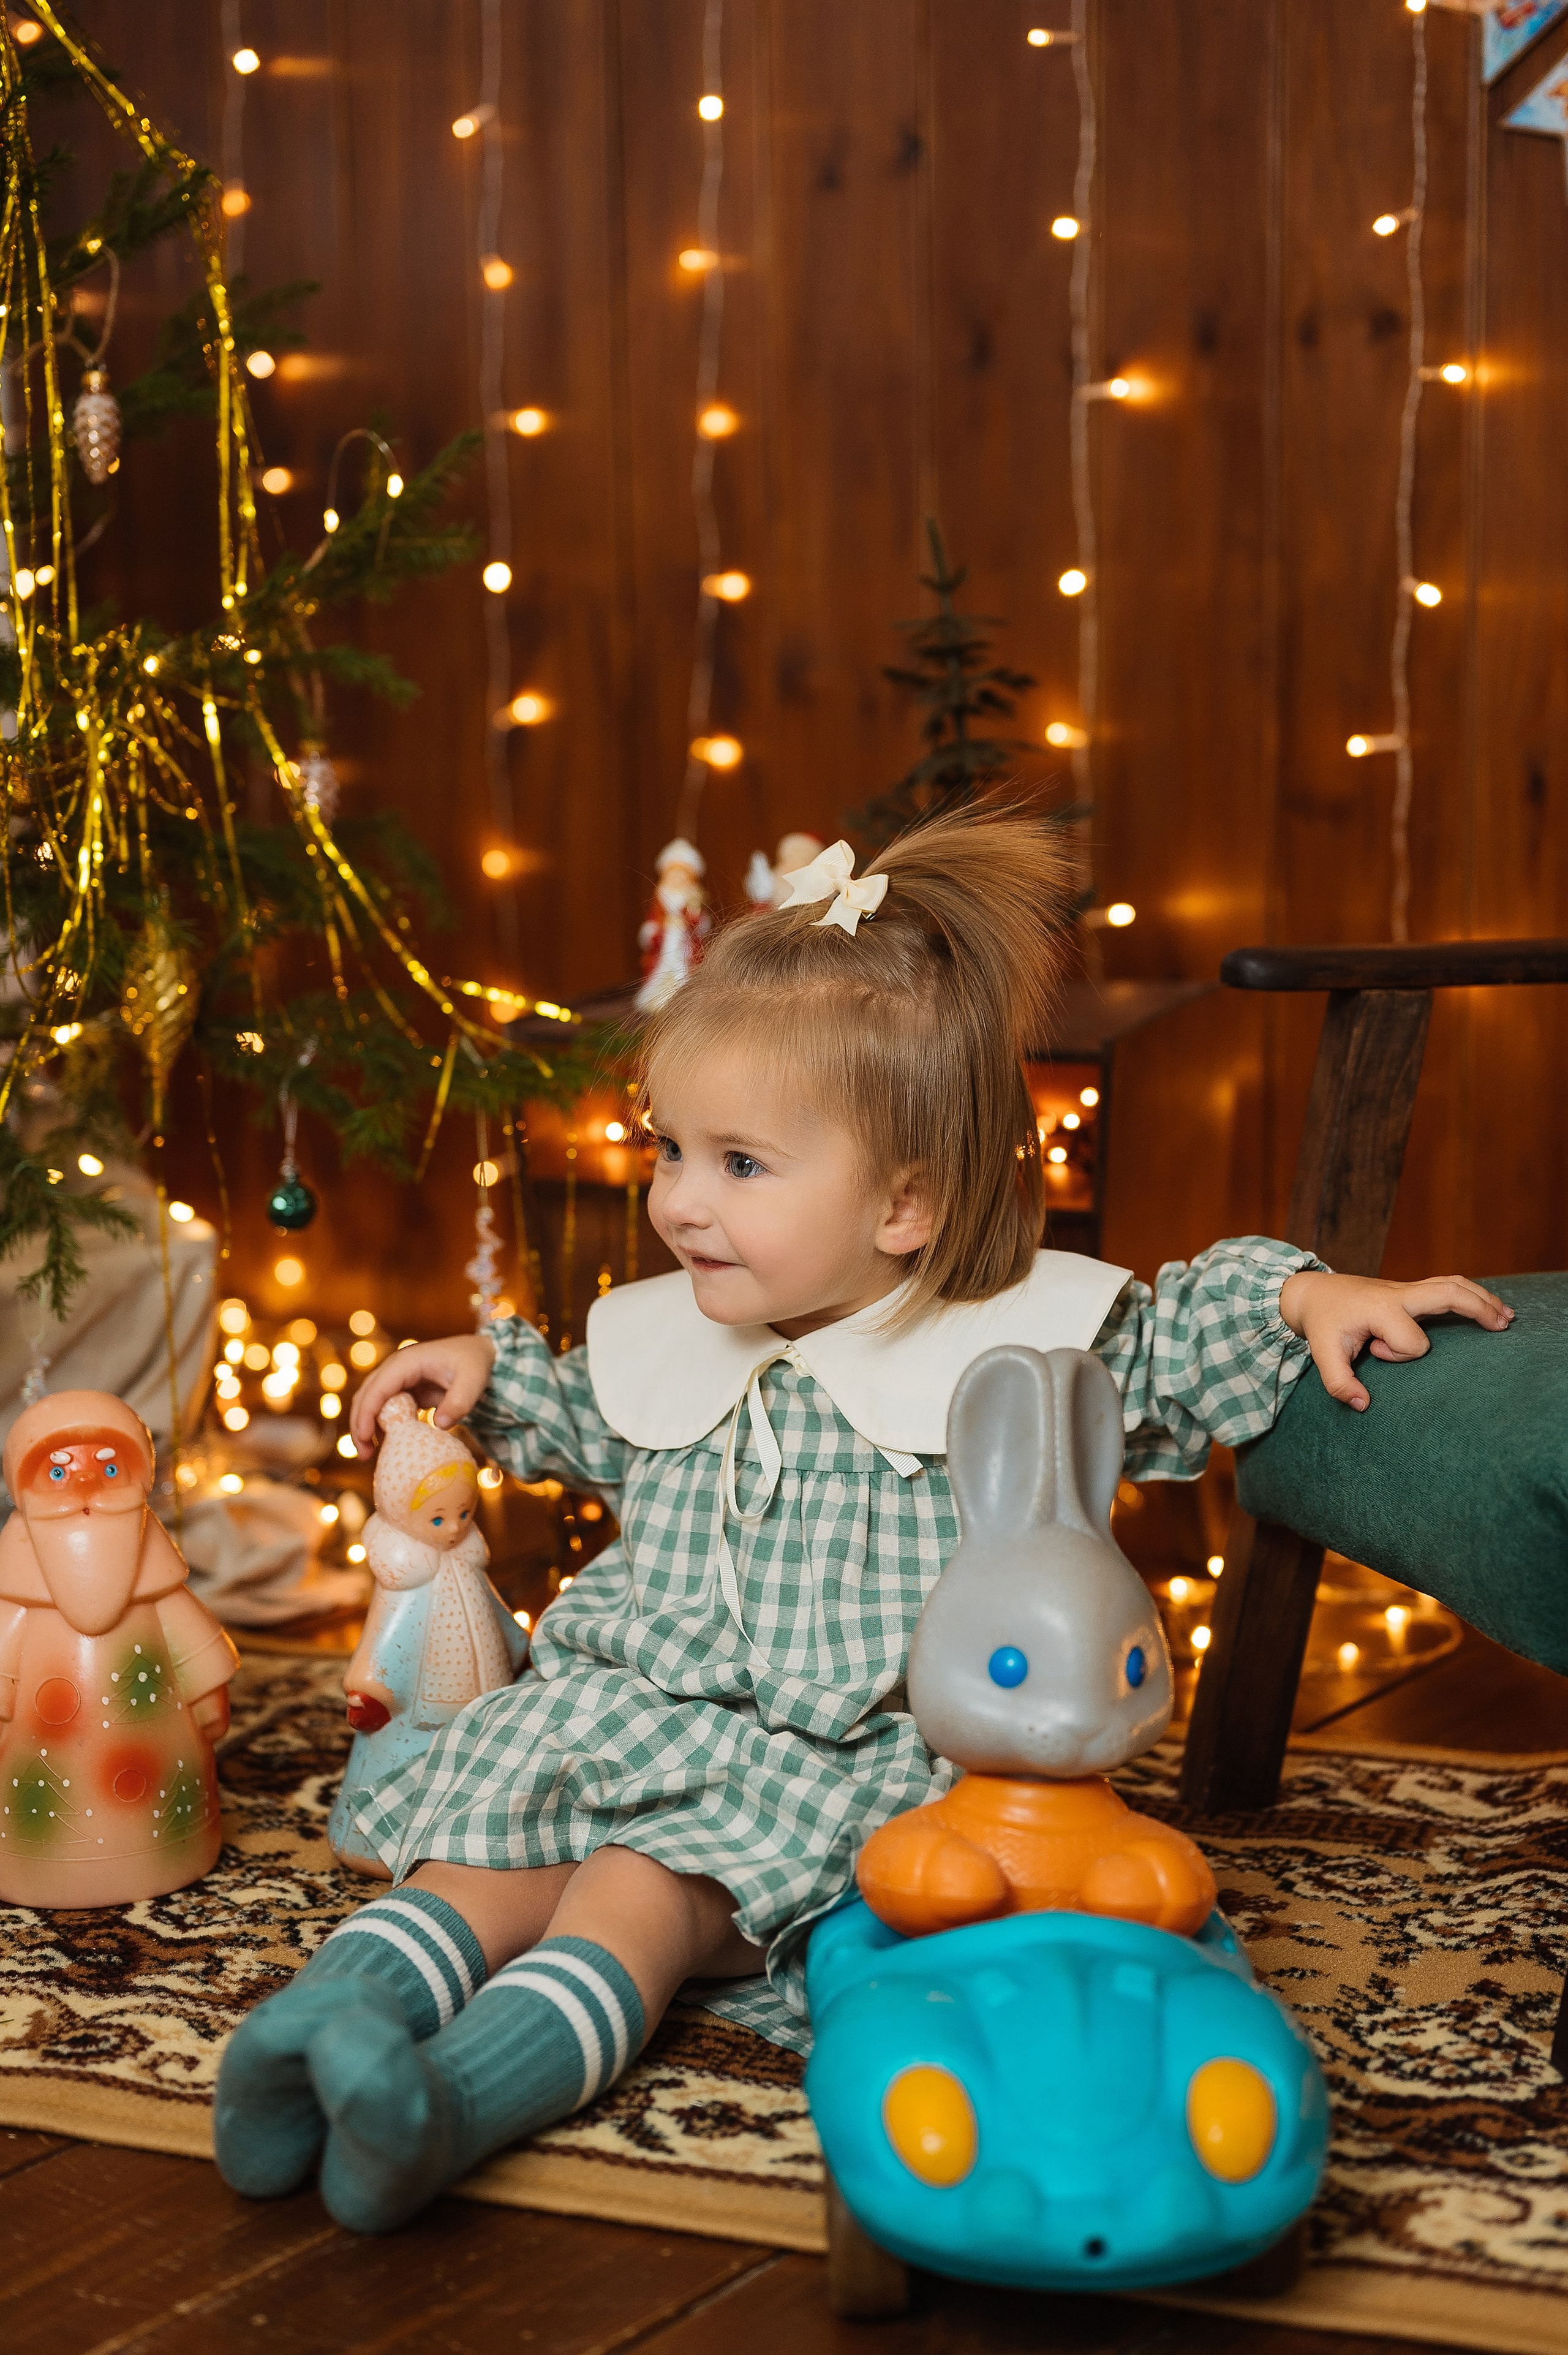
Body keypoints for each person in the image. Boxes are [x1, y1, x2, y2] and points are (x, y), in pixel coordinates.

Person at [214, 809, 1512, 2233]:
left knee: (630, 1897)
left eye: (740, 1165)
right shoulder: (684, 1330)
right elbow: (582, 1410)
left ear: (904, 1201)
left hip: (811, 1760)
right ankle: (317, 2027)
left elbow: (1166, 1340)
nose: (680, 1204)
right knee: (475, 1856)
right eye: (671, 1152)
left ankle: (449, 2100)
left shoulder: (998, 1351)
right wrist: (480, 1373)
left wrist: (1303, 1292)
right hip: (615, 1705)